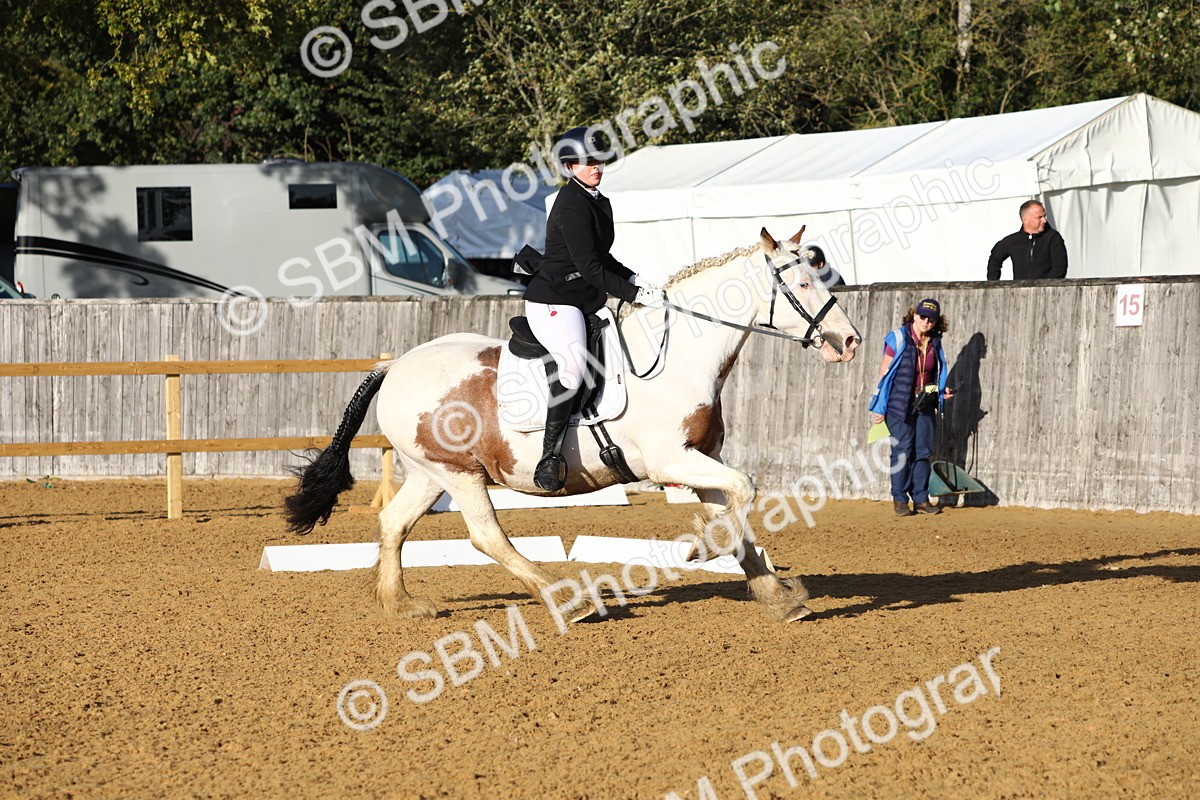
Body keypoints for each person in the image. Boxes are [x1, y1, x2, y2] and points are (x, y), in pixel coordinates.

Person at [523, 126, 665, 491]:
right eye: (586, 162)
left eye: (598, 160)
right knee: (573, 365)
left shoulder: (598, 199)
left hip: (584, 298)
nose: (595, 166)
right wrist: (633, 296)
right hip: (556, 300)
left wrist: (636, 279)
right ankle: (549, 458)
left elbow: (603, 257)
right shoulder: (570, 203)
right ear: (570, 167)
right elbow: (589, 268)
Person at [869, 298, 955, 516]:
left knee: (923, 453)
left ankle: (921, 499)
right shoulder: (897, 338)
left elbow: (936, 373)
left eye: (931, 319)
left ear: (936, 322)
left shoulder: (936, 342)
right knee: (902, 452)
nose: (925, 322)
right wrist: (879, 406)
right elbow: (884, 374)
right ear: (914, 315)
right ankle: (899, 499)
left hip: (925, 403)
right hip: (899, 406)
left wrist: (942, 391)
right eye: (922, 316)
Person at [986, 200, 1068, 280]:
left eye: (1044, 216)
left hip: (1047, 292)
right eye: (1039, 217)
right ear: (1025, 219)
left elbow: (1060, 267)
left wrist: (1046, 287)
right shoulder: (1014, 241)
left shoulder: (1053, 238)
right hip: (1020, 292)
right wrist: (993, 284)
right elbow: (995, 258)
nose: (1044, 220)